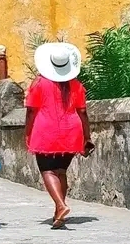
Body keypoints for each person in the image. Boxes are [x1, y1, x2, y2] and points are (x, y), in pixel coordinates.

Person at [25, 43, 93, 229]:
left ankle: (61, 205)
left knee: (47, 171)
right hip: (72, 132)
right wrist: (87, 137)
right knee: (61, 171)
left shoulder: (39, 83)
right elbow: (83, 112)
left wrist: (28, 133)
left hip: (46, 130)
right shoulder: (76, 85)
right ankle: (58, 213)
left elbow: (31, 111)